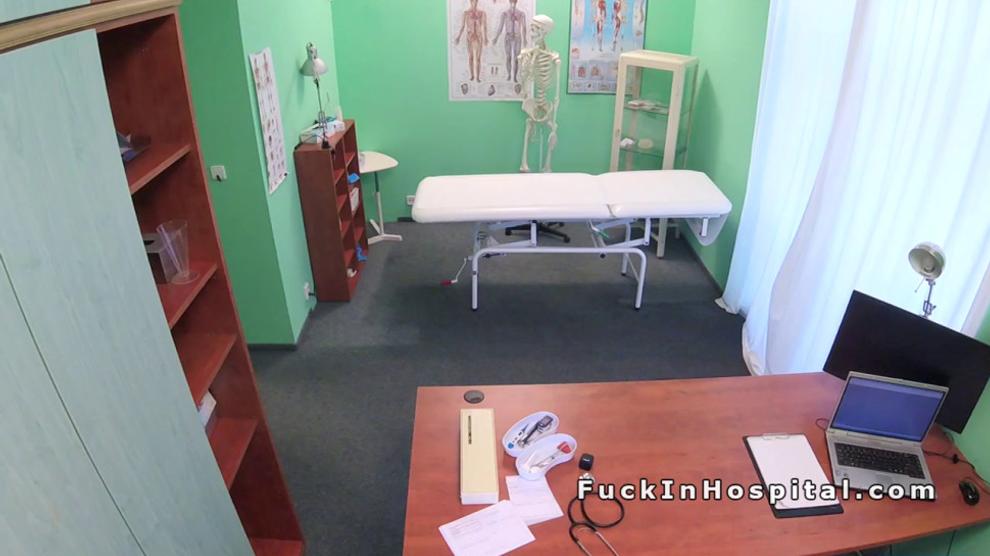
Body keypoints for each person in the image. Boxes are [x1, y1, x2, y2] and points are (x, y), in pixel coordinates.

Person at [492, 0, 528, 82]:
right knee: (508, 57)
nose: (513, 4)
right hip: (508, 37)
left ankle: (514, 76)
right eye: (511, 2)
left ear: (516, 3)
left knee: (516, 58)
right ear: (509, 3)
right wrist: (496, 38)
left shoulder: (521, 14)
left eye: (514, 2)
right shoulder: (504, 14)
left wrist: (525, 38)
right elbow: (500, 27)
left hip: (517, 37)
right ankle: (509, 74)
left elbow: (524, 27)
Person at [454, 0, 488, 83]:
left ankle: (478, 77)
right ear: (470, 2)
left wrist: (486, 38)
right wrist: (458, 37)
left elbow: (484, 26)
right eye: (473, 2)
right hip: (470, 37)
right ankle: (472, 75)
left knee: (478, 58)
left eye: (476, 2)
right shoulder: (466, 13)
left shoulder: (482, 13)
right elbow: (463, 26)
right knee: (471, 57)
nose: (474, 3)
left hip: (479, 37)